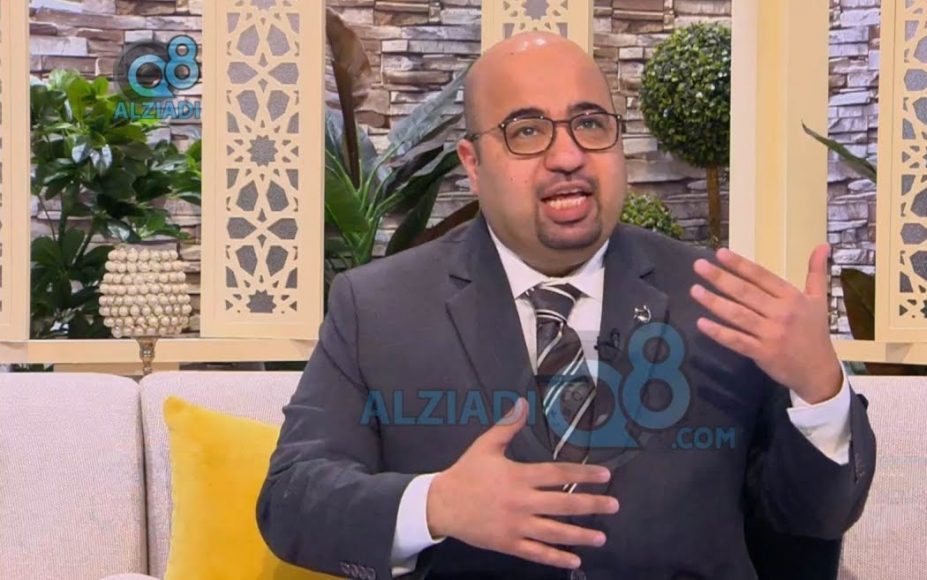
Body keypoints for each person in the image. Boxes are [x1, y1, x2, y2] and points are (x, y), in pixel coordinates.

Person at [257, 31, 875, 580]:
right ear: (473, 163)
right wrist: (436, 504)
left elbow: (809, 523)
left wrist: (820, 391)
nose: (568, 156)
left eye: (590, 124)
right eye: (526, 131)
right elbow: (291, 501)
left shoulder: (718, 298)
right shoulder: (376, 307)